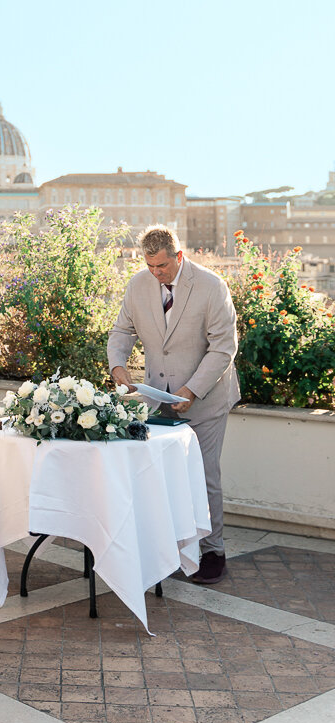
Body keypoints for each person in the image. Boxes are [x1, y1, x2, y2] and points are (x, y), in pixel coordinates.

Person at [107, 225, 239, 584]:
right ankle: (169, 549)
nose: (155, 273)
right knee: (160, 475)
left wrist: (192, 390)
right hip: (157, 397)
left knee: (204, 473)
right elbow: (122, 331)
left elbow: (224, 348)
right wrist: (117, 363)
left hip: (206, 398)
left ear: (178, 256)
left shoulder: (212, 286)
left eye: (162, 266)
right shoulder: (138, 284)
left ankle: (214, 551)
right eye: (149, 266)